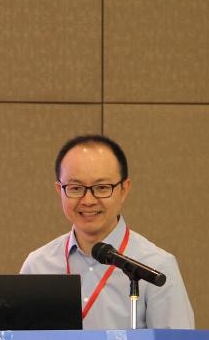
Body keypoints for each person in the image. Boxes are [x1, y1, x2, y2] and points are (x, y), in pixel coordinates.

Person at [21, 134, 194, 329]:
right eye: (75, 188)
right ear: (59, 190)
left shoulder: (156, 267)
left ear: (124, 190)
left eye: (102, 187)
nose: (88, 201)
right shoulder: (37, 266)